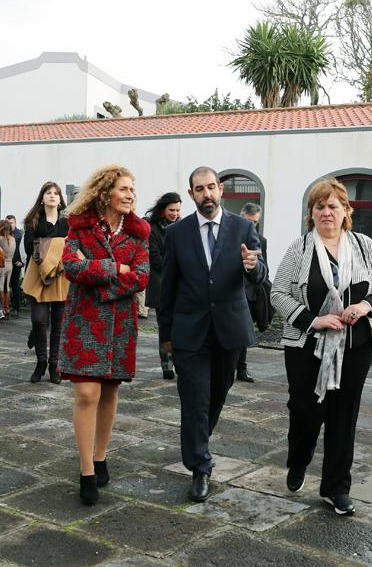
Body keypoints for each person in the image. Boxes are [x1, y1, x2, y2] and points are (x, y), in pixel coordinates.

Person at [270, 177, 372, 516]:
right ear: (312, 213)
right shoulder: (299, 248)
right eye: (319, 207)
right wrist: (313, 320)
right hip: (307, 345)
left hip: (356, 345)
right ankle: (299, 458)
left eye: (332, 206)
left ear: (346, 211)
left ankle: (336, 488)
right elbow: (278, 293)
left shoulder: (364, 245)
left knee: (344, 416)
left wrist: (364, 306)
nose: (326, 212)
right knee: (305, 410)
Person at [158, 166, 266, 503]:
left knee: (217, 394)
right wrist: (165, 335)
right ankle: (200, 466)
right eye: (199, 189)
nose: (206, 194)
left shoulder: (243, 227)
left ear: (220, 189)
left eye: (211, 187)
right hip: (189, 331)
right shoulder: (177, 233)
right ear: (191, 194)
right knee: (195, 400)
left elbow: (260, 274)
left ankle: (197, 440)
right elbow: (167, 288)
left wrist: (253, 267)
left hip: (229, 329)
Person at [58, 165, 150, 505]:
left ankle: (100, 455)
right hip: (84, 321)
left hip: (120, 325)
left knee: (109, 393)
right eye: (124, 189)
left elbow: (141, 277)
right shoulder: (79, 228)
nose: (130, 195)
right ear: (104, 192)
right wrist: (115, 268)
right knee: (86, 394)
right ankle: (86, 471)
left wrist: (96, 271)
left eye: (133, 190)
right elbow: (71, 267)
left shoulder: (139, 234)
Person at [21, 182, 69, 383]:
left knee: (58, 324)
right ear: (42, 197)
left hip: (61, 274)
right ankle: (41, 362)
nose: (52, 196)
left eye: (56, 193)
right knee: (40, 321)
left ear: (60, 200)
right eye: (48, 193)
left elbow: (72, 247)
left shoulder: (67, 222)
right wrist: (57, 245)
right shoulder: (33, 220)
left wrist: (48, 245)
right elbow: (30, 250)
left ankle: (53, 365)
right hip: (38, 273)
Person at [143, 191, 182, 379]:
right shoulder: (152, 229)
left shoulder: (183, 227)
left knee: (181, 326)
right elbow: (155, 258)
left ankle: (180, 362)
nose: (175, 213)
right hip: (161, 286)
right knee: (165, 327)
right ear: (163, 209)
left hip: (182, 287)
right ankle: (167, 364)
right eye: (171, 210)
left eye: (177, 210)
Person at [236, 202, 269, 383]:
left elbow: (265, 271)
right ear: (241, 217)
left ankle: (241, 368)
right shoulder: (228, 235)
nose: (251, 225)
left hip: (248, 293)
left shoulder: (260, 241)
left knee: (243, 333)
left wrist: (254, 267)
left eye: (255, 222)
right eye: (248, 221)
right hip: (228, 292)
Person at [0, 219, 16, 318]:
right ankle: (7, 308)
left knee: (0, 288)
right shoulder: (13, 239)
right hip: (10, 265)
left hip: (1, 265)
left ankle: (1, 309)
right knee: (7, 287)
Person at [5, 214, 24, 315]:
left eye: (11, 223)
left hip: (16, 264)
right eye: (7, 223)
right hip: (5, 264)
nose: (9, 225)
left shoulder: (19, 234)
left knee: (15, 286)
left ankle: (16, 308)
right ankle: (4, 307)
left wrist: (21, 262)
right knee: (4, 286)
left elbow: (22, 249)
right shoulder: (4, 233)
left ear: (15, 223)